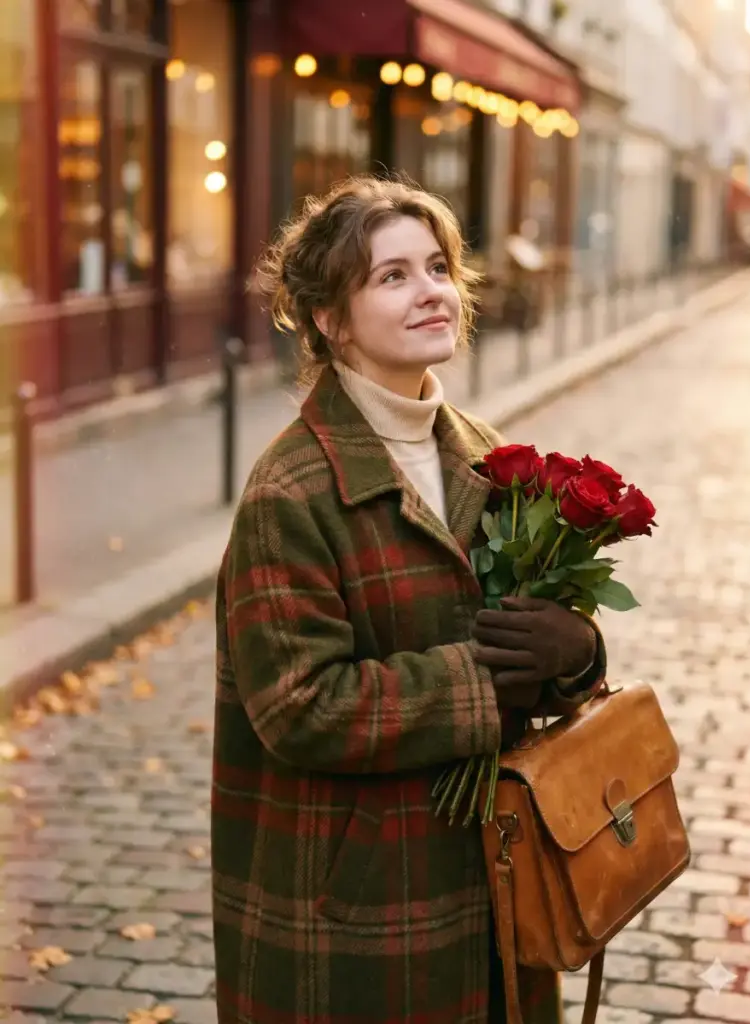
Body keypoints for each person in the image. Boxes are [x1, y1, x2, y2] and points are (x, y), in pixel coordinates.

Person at [211, 176, 607, 1024]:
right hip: (365, 905)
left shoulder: (489, 456)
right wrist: (483, 685)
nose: (430, 290)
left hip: (500, 883)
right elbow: (299, 706)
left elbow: (541, 632)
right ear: (329, 318)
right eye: (391, 276)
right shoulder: (293, 490)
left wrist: (577, 652)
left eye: (435, 267)